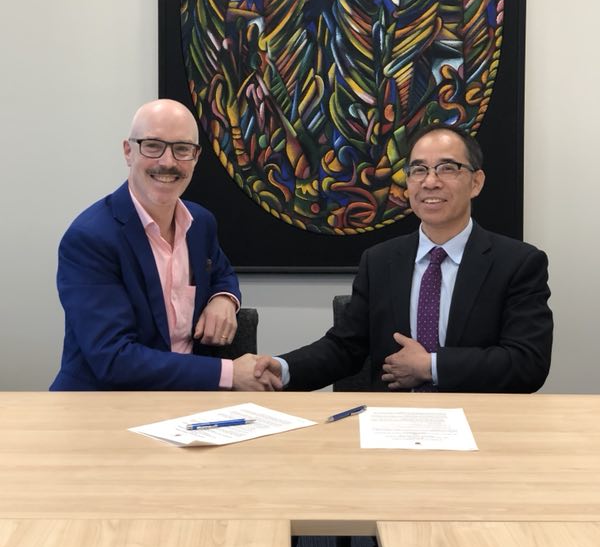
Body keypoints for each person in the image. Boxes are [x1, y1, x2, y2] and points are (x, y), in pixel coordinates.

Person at [255, 124, 553, 393]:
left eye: (447, 168)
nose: (430, 182)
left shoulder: (518, 264)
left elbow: (527, 363)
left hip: (478, 423)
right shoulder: (380, 260)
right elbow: (345, 348)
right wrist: (283, 369)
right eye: (418, 170)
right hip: (391, 422)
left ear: (476, 182)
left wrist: (431, 366)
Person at [50, 99, 279, 391]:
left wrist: (224, 298)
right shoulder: (90, 239)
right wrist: (230, 373)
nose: (168, 162)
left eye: (182, 149)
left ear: (196, 157)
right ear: (128, 151)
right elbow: (114, 359)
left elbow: (222, 272)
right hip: (105, 403)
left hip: (188, 398)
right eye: (153, 146)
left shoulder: (200, 223)